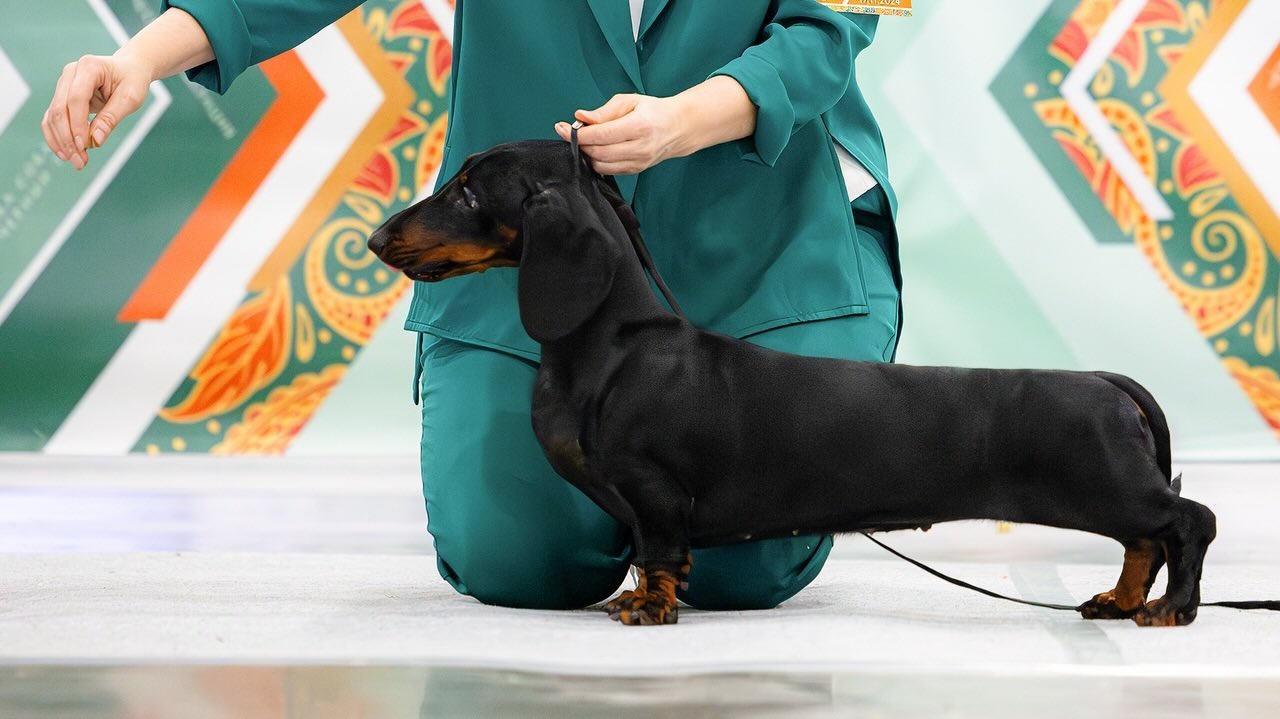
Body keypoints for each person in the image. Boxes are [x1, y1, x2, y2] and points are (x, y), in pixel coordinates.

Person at [43, 0, 902, 612]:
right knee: (517, 559)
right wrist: (138, 58)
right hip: (535, 276)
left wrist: (681, 121)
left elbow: (828, 32)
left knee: (741, 567)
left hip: (764, 256)